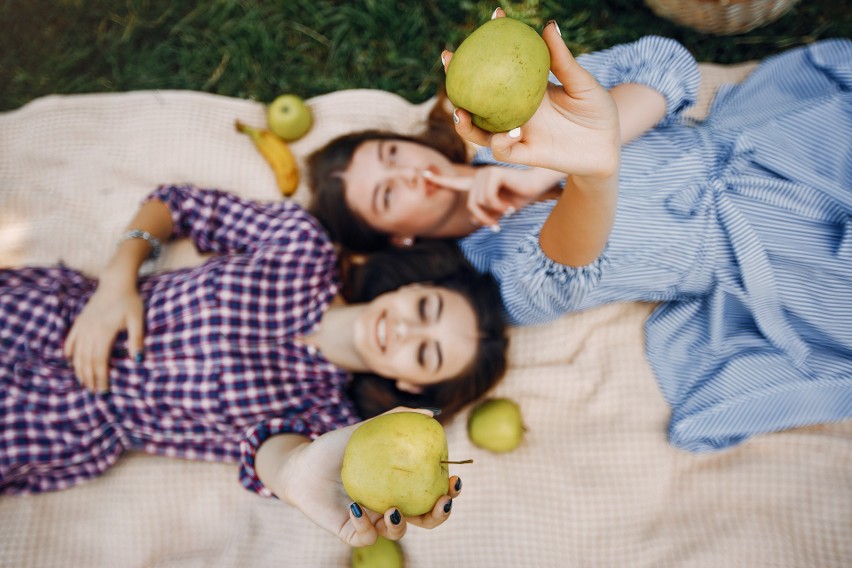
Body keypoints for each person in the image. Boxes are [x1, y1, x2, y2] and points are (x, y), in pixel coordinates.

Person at [307, 12, 852, 453]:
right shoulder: (497, 285)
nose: (406, 173)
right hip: (782, 257)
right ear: (395, 238)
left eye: (392, 153)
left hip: (776, 144)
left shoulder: (502, 117)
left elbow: (666, 68)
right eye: (386, 195)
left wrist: (539, 171)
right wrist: (586, 169)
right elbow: (568, 262)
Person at [0, 183, 509, 547]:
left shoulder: (332, 426)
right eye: (424, 310)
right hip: (52, 314)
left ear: (409, 382)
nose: (404, 331)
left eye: (425, 353)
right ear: (412, 286)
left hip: (58, 423)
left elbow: (272, 452)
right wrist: (117, 279)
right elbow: (177, 205)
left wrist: (292, 473)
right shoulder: (302, 248)